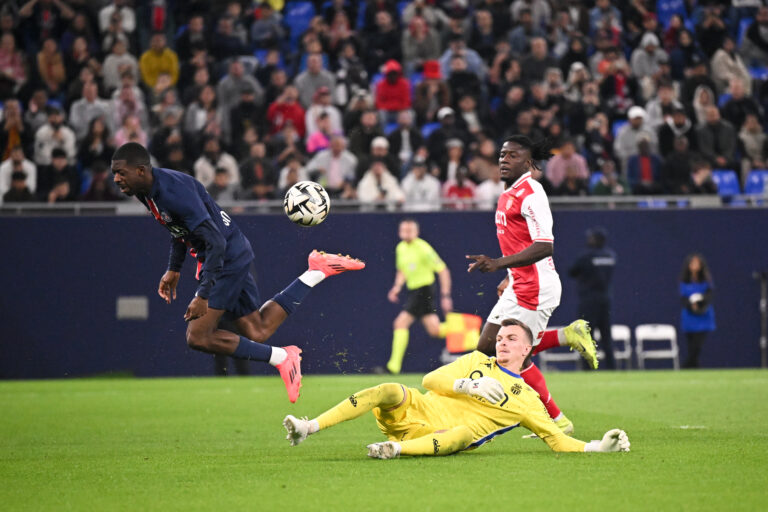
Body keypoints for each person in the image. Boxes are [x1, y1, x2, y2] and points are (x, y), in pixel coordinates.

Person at [110, 142, 365, 403]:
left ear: (141, 170)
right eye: (114, 172)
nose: (116, 178)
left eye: (121, 172)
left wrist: (203, 294)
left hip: (225, 256)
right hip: (233, 248)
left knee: (197, 336)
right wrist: (174, 269)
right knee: (257, 329)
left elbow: (215, 241)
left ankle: (282, 357)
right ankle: (316, 271)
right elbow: (178, 228)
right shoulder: (148, 189)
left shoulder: (172, 193)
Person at [283, 318, 630, 458]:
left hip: (445, 435)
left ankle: (394, 451)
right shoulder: (477, 361)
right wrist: (468, 386)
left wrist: (598, 447)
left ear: (528, 350)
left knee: (464, 434)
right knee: (390, 388)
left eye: (512, 339)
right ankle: (307, 427)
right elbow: (428, 381)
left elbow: (556, 439)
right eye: (502, 337)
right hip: (416, 412)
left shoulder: (527, 398)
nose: (503, 342)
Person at [465, 135, 598, 435]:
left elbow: (544, 245)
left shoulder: (532, 193)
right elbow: (518, 244)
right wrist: (508, 275)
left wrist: (499, 263)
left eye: (513, 156)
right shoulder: (507, 194)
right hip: (519, 283)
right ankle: (566, 335)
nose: (504, 159)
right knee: (488, 347)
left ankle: (558, 421)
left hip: (537, 287)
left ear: (527, 163)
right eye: (502, 154)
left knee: (514, 352)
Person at [380, 219, 452, 375]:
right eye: (403, 230)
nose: (406, 233)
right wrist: (397, 287)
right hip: (414, 291)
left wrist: (445, 295)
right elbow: (402, 271)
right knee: (435, 330)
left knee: (400, 323)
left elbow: (443, 270)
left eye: (409, 230)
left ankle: (393, 367)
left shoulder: (424, 248)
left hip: (425, 290)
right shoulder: (400, 248)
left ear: (416, 232)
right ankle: (469, 332)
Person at [569, 228, 616, 370]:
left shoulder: (586, 257)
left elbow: (572, 271)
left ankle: (588, 367)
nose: (588, 240)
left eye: (591, 238)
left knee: (586, 335)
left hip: (589, 301)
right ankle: (611, 367)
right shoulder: (610, 256)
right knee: (606, 336)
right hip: (605, 300)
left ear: (596, 240)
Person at [679, 253, 715, 368]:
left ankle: (685, 367)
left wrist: (700, 305)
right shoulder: (685, 281)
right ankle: (694, 369)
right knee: (691, 346)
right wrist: (691, 306)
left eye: (697, 263)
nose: (694, 266)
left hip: (703, 315)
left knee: (697, 346)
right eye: (692, 263)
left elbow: (709, 296)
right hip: (689, 317)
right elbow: (683, 298)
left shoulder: (706, 281)